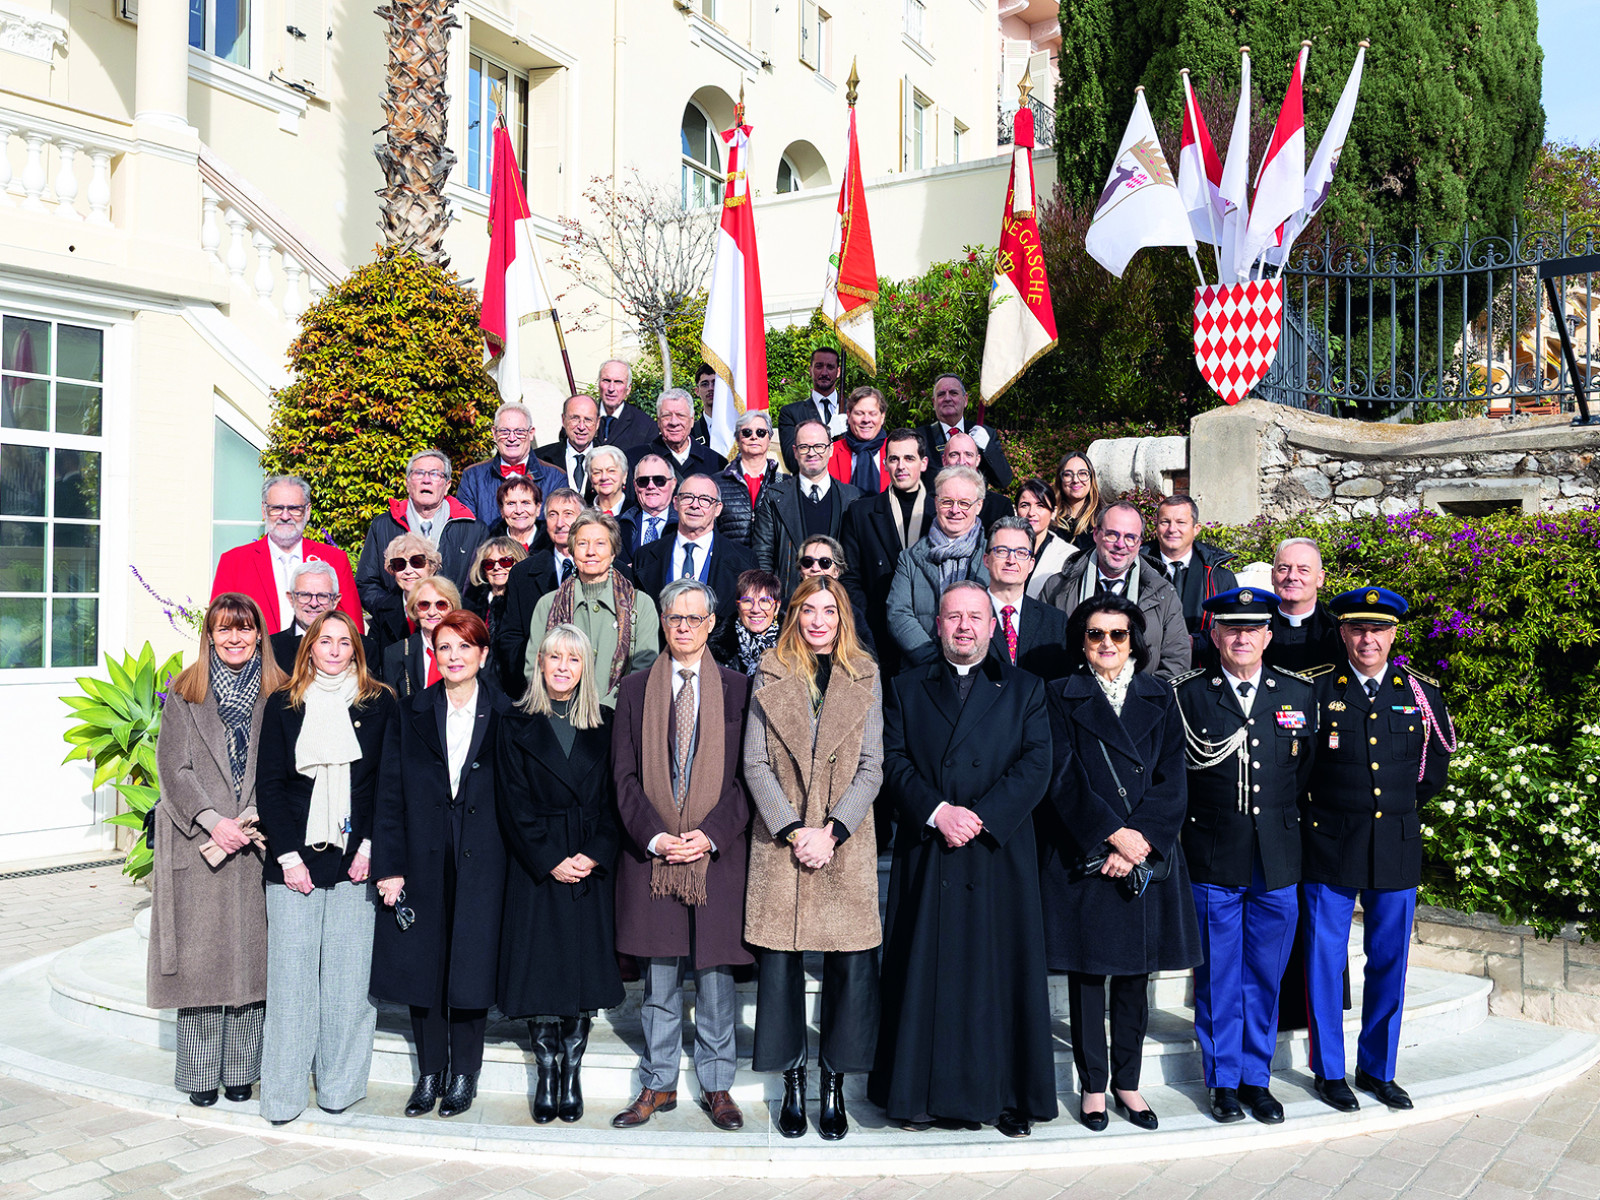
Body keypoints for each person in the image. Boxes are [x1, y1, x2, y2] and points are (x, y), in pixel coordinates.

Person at [870, 581, 1056, 1138]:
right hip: (930, 854)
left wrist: (980, 817)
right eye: (954, 617)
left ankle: (1003, 1098)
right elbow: (893, 760)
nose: (964, 627)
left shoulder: (1026, 688)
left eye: (975, 617)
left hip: (998, 853)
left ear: (992, 625)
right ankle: (917, 1097)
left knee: (999, 977)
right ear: (937, 624)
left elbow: (1037, 763)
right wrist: (936, 812)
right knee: (925, 974)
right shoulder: (904, 687)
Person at [1037, 594, 1201, 1134]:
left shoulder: (1160, 694)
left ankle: (1127, 1084)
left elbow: (1173, 781)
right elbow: (1061, 778)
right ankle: (1091, 1088)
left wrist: (1140, 842)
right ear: (1081, 642)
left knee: (1135, 976)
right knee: (1088, 976)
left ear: (1135, 640)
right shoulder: (1059, 695)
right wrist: (1111, 836)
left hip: (1144, 859)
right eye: (1096, 634)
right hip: (1088, 854)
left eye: (1118, 634)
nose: (1107, 644)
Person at [1302, 587, 1455, 1115]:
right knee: (1324, 961)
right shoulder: (1317, 690)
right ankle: (1329, 1071)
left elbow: (1432, 769)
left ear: (1394, 634)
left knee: (1390, 961)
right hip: (1329, 843)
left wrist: (1395, 809)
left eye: (1379, 629)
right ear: (1342, 633)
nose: (1368, 639)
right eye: (1358, 629)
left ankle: (1377, 1069)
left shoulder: (1421, 693)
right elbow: (1299, 768)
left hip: (1395, 843)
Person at [610, 579, 754, 1132]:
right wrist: (655, 837)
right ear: (663, 622)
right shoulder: (634, 690)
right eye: (676, 618)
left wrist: (710, 835)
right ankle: (659, 1082)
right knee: (660, 982)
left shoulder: (741, 689)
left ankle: (718, 1084)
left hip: (715, 858)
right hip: (654, 857)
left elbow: (750, 778)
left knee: (716, 981)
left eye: (696, 618)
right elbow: (622, 777)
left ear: (712, 624)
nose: (686, 627)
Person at [742, 577, 882, 1140]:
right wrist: (796, 829)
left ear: (842, 616)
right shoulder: (770, 671)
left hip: (843, 841)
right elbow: (755, 763)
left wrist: (832, 831)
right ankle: (794, 1080)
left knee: (850, 967)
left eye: (829, 610)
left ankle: (834, 1083)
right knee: (780, 968)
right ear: (794, 615)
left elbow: (873, 765)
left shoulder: (866, 673)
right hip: (784, 841)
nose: (819, 620)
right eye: (808, 610)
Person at [1172, 588, 1317, 1125]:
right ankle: (1223, 1081)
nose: (1242, 637)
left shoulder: (1297, 695)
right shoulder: (1188, 695)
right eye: (1231, 628)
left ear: (1268, 636)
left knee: (1265, 975)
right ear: (1214, 635)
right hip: (1212, 855)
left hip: (1278, 858)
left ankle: (1258, 1079)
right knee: (1218, 977)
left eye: (1253, 629)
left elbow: (1300, 777)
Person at [255, 611, 398, 1125]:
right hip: (294, 860)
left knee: (346, 984)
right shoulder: (282, 704)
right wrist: (288, 856)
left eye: (344, 642)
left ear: (356, 650)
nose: (335, 650)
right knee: (292, 984)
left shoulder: (379, 703)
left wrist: (369, 847)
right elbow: (268, 785)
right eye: (325, 641)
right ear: (309, 647)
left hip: (354, 859)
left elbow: (387, 783)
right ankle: (283, 1096)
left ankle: (340, 1087)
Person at [370, 611, 510, 1120]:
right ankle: (430, 1074)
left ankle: (463, 1076)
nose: (454, 656)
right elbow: (388, 795)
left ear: (482, 655)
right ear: (434, 653)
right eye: (444, 646)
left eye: (464, 647)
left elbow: (515, 798)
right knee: (423, 967)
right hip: (421, 856)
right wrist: (389, 866)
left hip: (483, 859)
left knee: (470, 967)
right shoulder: (409, 712)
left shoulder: (506, 712)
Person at [149, 594, 287, 1108]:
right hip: (200, 844)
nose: (234, 638)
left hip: (255, 843)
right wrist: (213, 821)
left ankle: (241, 1075)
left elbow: (285, 768)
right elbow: (173, 771)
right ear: (209, 635)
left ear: (258, 635)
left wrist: (247, 819)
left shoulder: (280, 693)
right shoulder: (186, 693)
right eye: (224, 629)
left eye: (244, 629)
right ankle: (202, 1075)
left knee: (252, 969)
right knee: (203, 969)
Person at [496, 624, 624, 1124]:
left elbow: (618, 798)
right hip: (538, 867)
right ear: (540, 664)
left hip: (588, 865)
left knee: (580, 980)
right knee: (541, 977)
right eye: (555, 658)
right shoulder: (513, 723)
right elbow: (511, 801)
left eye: (574, 659)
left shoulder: (608, 723)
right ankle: (546, 1071)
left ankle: (571, 1073)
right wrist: (550, 858)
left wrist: (593, 854)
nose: (563, 668)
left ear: (586, 667)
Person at [1040, 501, 1190, 679]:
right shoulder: (1057, 587)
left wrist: (1142, 700)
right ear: (1096, 534)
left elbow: (1176, 662)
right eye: (1112, 535)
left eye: (1130, 537)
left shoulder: (1163, 593)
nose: (1121, 544)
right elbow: (1041, 654)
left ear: (1140, 542)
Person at [527, 511, 660, 708]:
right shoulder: (547, 604)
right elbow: (534, 668)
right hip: (560, 717)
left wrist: (606, 710)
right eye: (582, 543)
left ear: (613, 551)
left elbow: (643, 670)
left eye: (600, 543)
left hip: (619, 718)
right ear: (572, 550)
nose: (591, 552)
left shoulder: (641, 605)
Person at [355, 449, 489, 635]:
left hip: (456, 632)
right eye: (418, 473)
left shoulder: (473, 529)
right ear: (408, 483)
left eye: (435, 474)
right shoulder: (384, 525)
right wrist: (397, 612)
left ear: (447, 485)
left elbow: (481, 586)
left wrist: (456, 618)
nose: (427, 480)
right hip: (395, 634)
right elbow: (366, 583)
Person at [211, 475, 362, 634]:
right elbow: (218, 626)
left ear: (307, 511)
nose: (285, 516)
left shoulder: (335, 560)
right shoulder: (234, 562)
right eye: (276, 508)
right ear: (264, 510)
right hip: (258, 657)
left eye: (294, 508)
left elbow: (353, 629)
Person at [839, 429, 933, 676]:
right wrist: (867, 624)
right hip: (878, 635)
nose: (901, 466)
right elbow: (849, 577)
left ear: (923, 463)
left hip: (929, 637)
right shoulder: (860, 513)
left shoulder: (942, 514)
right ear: (885, 464)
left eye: (909, 458)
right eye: (894, 459)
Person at [885, 466, 990, 661]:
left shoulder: (993, 557)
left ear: (979, 505)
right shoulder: (910, 559)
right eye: (947, 502)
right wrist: (932, 660)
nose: (955, 510)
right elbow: (898, 614)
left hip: (980, 669)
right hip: (923, 669)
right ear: (935, 503)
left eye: (964, 503)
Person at [753, 419, 861, 597]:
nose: (812, 453)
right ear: (795, 452)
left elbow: (857, 563)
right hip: (789, 604)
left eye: (819, 446)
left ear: (830, 449)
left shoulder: (852, 498)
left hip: (836, 605)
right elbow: (763, 556)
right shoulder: (774, 497)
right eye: (804, 447)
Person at [494, 487, 583, 696]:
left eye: (568, 514)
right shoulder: (522, 574)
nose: (560, 523)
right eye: (553, 515)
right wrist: (535, 677)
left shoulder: (611, 571)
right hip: (536, 689)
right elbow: (510, 636)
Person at [632, 474, 755, 621]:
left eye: (705, 500)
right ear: (676, 503)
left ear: (717, 509)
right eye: (687, 497)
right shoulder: (644, 557)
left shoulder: (744, 562)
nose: (695, 505)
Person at [1143, 494, 1238, 667]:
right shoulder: (1137, 571)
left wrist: (1196, 642)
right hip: (1148, 674)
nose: (1172, 529)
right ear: (1156, 527)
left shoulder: (1220, 577)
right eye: (1165, 522)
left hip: (1204, 675)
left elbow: (1234, 631)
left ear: (1196, 528)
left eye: (1181, 522)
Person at [984, 517, 1070, 681]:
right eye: (1002, 551)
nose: (1011, 560)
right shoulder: (966, 615)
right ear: (986, 560)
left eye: (1021, 553)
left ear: (1031, 564)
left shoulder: (1055, 621)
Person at [457, 402, 567, 523]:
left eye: (519, 431)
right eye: (504, 431)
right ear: (494, 433)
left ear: (531, 433)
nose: (512, 438)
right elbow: (467, 531)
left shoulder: (556, 478)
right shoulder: (472, 476)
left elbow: (559, 527)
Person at [917, 374, 1013, 492]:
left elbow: (1004, 480)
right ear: (934, 402)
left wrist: (988, 447)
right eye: (941, 394)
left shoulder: (984, 433)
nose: (947, 398)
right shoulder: (919, 438)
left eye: (953, 393)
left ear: (965, 399)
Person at [1265, 537, 1343, 674]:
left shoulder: (1340, 633)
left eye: (1303, 570)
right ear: (1272, 576)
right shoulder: (1254, 630)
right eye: (1284, 568)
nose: (1292, 576)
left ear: (1320, 578)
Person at [794, 535, 877, 658]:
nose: (815, 568)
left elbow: (869, 661)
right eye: (808, 562)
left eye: (825, 563)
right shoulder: (784, 609)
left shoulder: (853, 614)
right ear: (801, 570)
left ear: (837, 571)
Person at [381, 576, 461, 699]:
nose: (432, 612)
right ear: (414, 609)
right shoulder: (395, 653)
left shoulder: (470, 649)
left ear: (452, 608)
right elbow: (393, 708)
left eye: (441, 605)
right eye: (424, 605)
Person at [366, 532, 442, 656]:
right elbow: (373, 661)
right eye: (400, 565)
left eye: (417, 562)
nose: (408, 571)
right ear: (392, 571)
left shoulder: (448, 605)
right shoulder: (383, 609)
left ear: (432, 568)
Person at [715, 408, 782, 547]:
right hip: (731, 564)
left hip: (771, 566)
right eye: (747, 432)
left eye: (761, 432)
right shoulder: (716, 483)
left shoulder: (786, 483)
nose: (754, 437)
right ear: (737, 439)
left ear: (769, 438)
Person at [625, 389, 722, 481]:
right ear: (658, 421)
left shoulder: (716, 462)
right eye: (667, 415)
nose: (674, 422)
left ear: (692, 420)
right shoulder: (634, 459)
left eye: (681, 415)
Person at [777, 346, 845, 472]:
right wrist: (828, 432)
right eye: (819, 366)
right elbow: (792, 462)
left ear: (838, 371)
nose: (824, 373)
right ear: (810, 370)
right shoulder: (791, 413)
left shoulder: (853, 412)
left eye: (830, 367)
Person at [269, 561, 346, 672]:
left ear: (335, 601)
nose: (313, 604)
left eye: (322, 596)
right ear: (291, 599)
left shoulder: (363, 649)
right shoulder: (269, 649)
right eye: (305, 595)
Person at [710, 568, 783, 675]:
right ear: (738, 606)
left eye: (765, 601)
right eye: (748, 601)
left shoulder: (795, 646)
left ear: (776, 607)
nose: (756, 610)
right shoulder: (717, 649)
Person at [1016, 477, 1077, 599]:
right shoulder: (1003, 547)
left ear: (1053, 512)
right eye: (1025, 505)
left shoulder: (1069, 556)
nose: (1031, 512)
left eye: (1040, 505)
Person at [463, 536, 527, 652]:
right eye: (489, 563)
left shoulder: (527, 602)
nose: (497, 567)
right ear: (483, 570)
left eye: (505, 562)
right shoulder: (470, 606)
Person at [939, 432, 1014, 528]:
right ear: (944, 461)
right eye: (954, 455)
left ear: (977, 460)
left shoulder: (1000, 508)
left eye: (968, 455)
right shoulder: (928, 505)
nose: (961, 461)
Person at [827, 386, 889, 494]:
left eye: (872, 414)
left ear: (882, 417)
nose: (866, 420)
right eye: (859, 413)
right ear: (849, 416)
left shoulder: (896, 451)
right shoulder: (830, 453)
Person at [538, 394, 602, 492]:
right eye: (575, 418)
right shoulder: (540, 459)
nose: (581, 427)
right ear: (563, 420)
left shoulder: (613, 460)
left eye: (588, 420)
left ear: (597, 423)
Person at [620, 454, 678, 556]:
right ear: (635, 485)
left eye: (659, 480)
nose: (651, 486)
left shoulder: (687, 525)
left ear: (673, 483)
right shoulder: (616, 526)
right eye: (643, 481)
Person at [594, 359, 654, 449]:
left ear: (628, 389)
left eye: (618, 382)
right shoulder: (583, 417)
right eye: (606, 380)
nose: (611, 388)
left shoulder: (646, 426)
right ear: (599, 384)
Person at [1053, 452, 1100, 553]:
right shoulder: (1050, 520)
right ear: (1060, 480)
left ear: (1091, 479)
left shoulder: (1103, 520)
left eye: (1082, 473)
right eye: (1068, 474)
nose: (1075, 480)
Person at [491, 476, 543, 550]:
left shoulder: (553, 545)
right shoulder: (491, 548)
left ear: (538, 508)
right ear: (501, 510)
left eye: (525, 503)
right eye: (511, 503)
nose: (519, 511)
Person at [585, 444, 630, 517]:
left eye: (611, 471)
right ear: (591, 479)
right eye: (597, 472)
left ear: (624, 476)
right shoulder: (583, 515)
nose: (604, 477)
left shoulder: (636, 513)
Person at [690, 362, 715, 445]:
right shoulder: (690, 434)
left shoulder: (739, 429)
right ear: (697, 391)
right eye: (705, 384)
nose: (710, 388)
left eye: (715, 383)